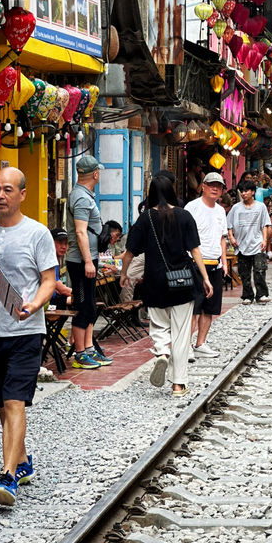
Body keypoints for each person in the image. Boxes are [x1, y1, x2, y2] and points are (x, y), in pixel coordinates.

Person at [0, 167, 57, 506]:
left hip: (26, 331)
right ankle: (23, 460)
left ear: (22, 194)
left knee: (15, 401)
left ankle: (7, 476)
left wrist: (35, 303)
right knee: (2, 404)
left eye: (7, 189)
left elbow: (49, 279)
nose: (0, 195)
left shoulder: (38, 233)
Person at [120, 174, 212, 397]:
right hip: (182, 282)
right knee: (181, 334)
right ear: (172, 191)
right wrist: (206, 278)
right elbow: (195, 251)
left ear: (151, 193)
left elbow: (129, 253)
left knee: (159, 325)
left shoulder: (145, 218)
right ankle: (178, 385)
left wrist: (124, 275)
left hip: (155, 282)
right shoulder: (184, 216)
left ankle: (161, 352)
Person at [65, 155, 112, 370]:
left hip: (87, 258)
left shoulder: (84, 195)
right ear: (95, 174)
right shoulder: (82, 198)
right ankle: (80, 353)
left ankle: (89, 348)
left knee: (90, 306)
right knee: (83, 306)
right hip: (80, 261)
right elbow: (80, 231)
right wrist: (88, 262)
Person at [185, 172, 229, 358]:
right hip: (195, 265)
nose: (215, 188)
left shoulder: (220, 210)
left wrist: (224, 262)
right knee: (193, 308)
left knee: (209, 308)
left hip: (215, 264)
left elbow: (222, 238)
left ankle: (200, 343)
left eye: (218, 186)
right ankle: (185, 345)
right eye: (211, 185)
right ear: (203, 186)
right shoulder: (192, 208)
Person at [227, 179, 272, 304]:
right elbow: (229, 225)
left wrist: (264, 240)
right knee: (244, 272)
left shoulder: (260, 207)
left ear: (253, 192)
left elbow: (265, 225)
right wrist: (231, 237)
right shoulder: (236, 208)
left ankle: (262, 294)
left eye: (246, 191)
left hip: (257, 243)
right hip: (241, 244)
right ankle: (247, 295)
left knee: (260, 270)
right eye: (241, 191)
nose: (243, 194)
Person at [50, 228, 72, 308]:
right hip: (46, 302)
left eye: (66, 243)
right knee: (78, 301)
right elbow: (62, 289)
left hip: (53, 298)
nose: (64, 247)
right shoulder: (49, 261)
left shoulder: (54, 260)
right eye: (60, 243)